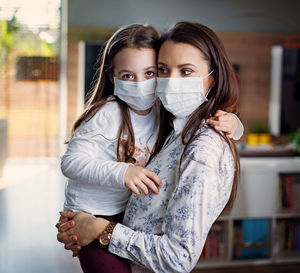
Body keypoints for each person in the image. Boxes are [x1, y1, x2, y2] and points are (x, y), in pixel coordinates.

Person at [58, 21, 242, 273]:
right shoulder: (170, 122)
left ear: (214, 77)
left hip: (109, 230)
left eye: (186, 71)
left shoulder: (202, 150)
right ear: (113, 77)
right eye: (164, 70)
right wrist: (87, 224)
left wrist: (99, 229)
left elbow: (178, 259)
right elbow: (71, 162)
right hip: (99, 219)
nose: (170, 83)